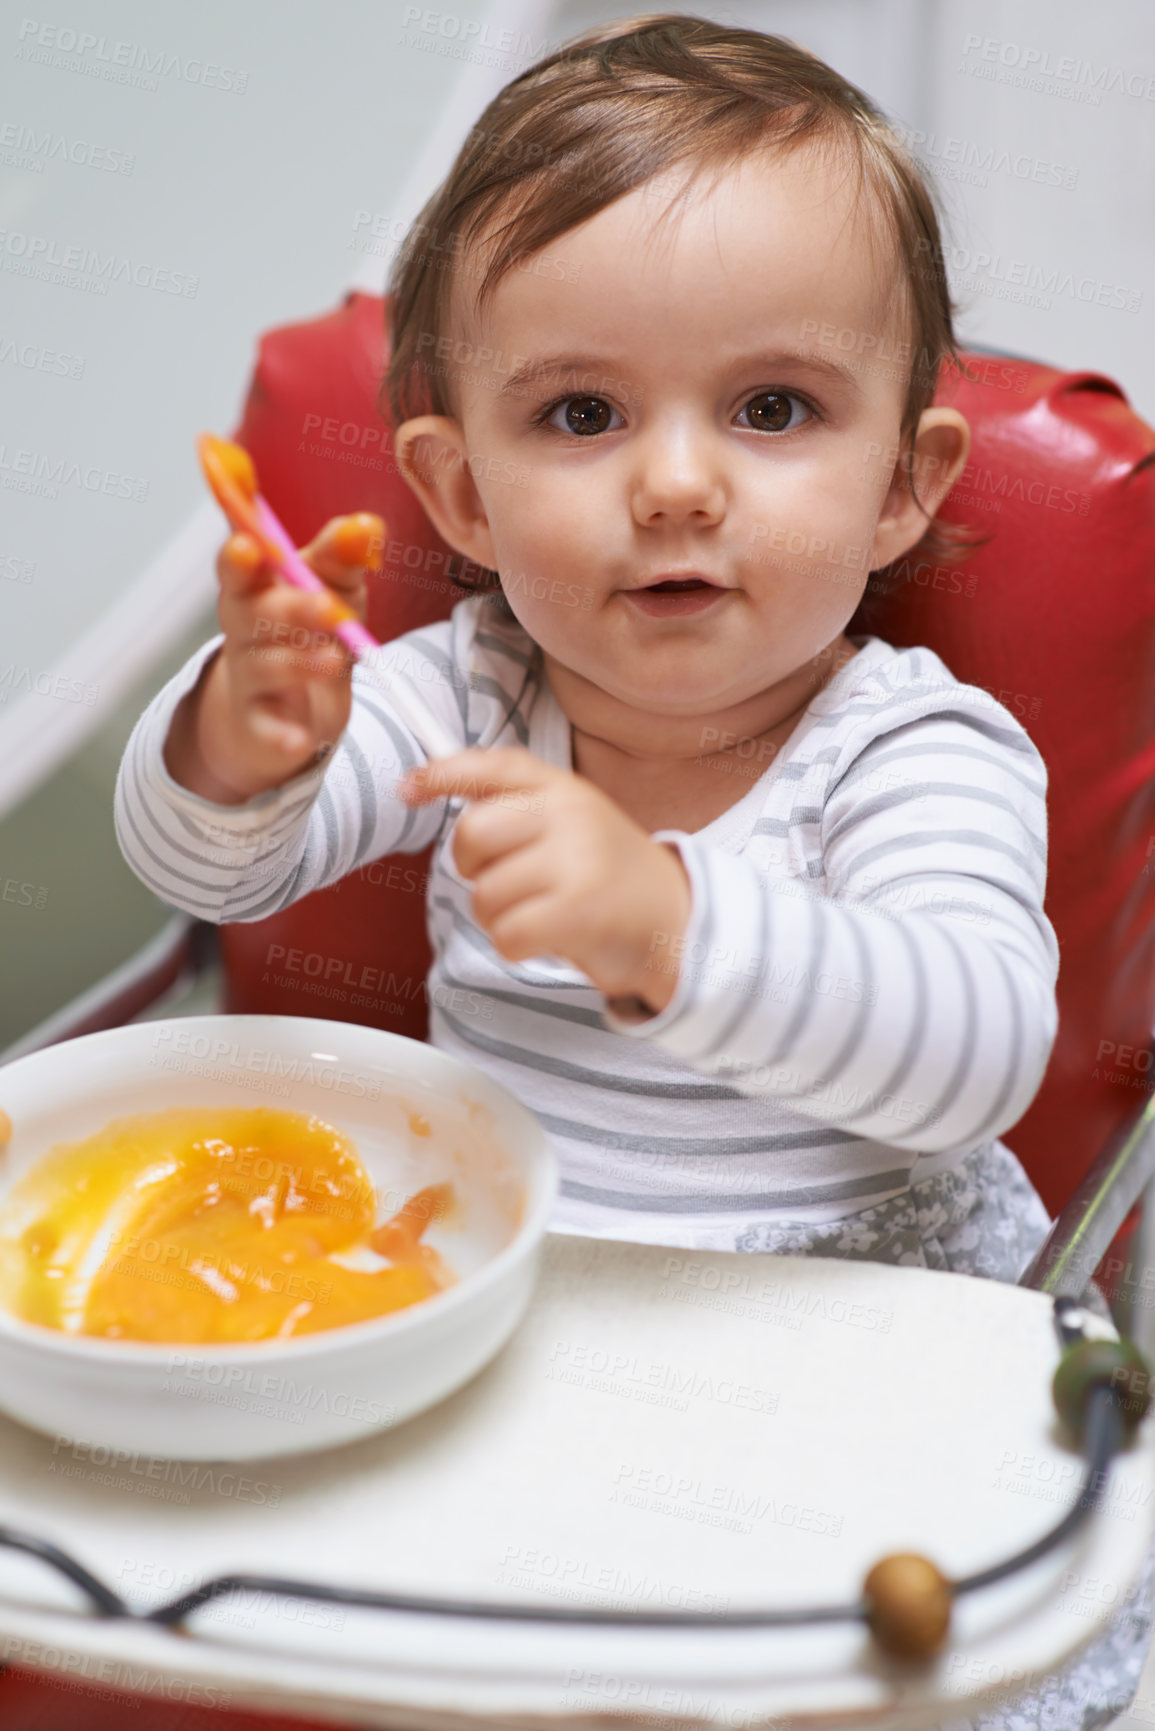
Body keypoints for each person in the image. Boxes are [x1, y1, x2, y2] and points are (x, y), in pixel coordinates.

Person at [114, 17, 1152, 1725]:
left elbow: (971, 1058)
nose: (676, 485)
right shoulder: (466, 688)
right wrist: (244, 738)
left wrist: (670, 925)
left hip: (846, 1353)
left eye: (772, 408)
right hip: (504, 1336)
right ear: (458, 488)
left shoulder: (912, 750)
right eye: (583, 413)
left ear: (904, 481)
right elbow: (222, 872)